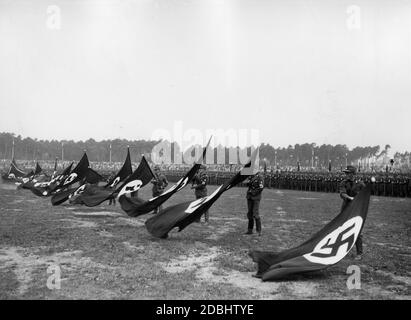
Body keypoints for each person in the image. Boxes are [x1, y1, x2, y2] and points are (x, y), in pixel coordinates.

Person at [339, 165, 366, 260]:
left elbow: (365, 194)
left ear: (353, 174)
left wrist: (360, 199)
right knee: (343, 230)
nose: (346, 175)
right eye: (345, 173)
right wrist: (349, 198)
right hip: (346, 209)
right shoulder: (343, 183)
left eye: (348, 173)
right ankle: (342, 251)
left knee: (357, 231)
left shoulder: (360, 183)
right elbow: (342, 193)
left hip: (356, 209)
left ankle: (359, 254)